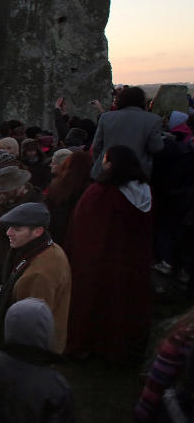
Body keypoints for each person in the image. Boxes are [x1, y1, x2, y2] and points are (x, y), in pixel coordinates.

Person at [66, 145, 154, 361]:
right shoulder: (145, 191)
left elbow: (83, 227)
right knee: (126, 299)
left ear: (111, 165)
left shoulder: (101, 193)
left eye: (105, 159)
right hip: (132, 260)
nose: (102, 163)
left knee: (97, 299)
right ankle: (124, 345)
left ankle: (91, 344)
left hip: (100, 260)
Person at [0, 203, 71, 353]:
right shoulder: (47, 248)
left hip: (30, 353)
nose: (8, 232)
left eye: (17, 229)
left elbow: (30, 327)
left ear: (38, 231)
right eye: (9, 227)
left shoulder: (39, 275)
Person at [90, 85, 165, 179]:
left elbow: (96, 147)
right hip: (137, 173)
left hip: (107, 171)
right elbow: (156, 148)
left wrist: (99, 164)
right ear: (142, 101)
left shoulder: (106, 117)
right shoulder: (153, 120)